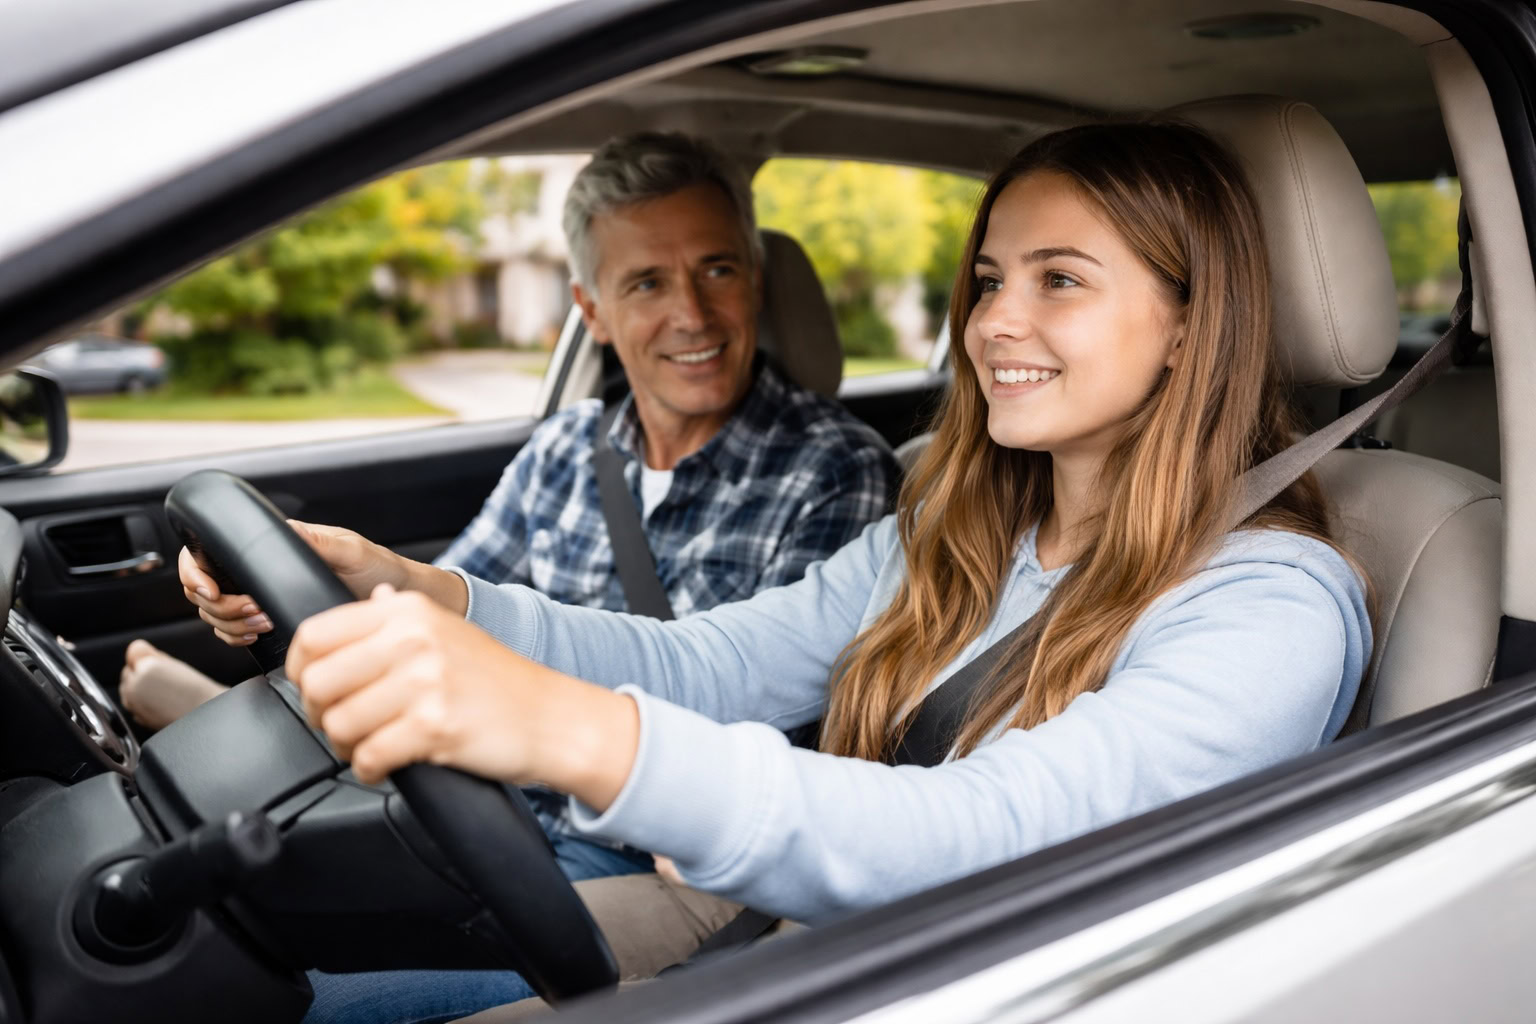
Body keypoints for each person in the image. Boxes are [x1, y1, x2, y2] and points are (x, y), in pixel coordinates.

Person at [183, 120, 1373, 1021]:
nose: (994, 323)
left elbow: (988, 835)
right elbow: (716, 659)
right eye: (991, 279)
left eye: (1059, 279)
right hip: (817, 933)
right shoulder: (954, 533)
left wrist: (571, 733)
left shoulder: (1269, 602)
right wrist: (436, 592)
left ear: (1190, 320)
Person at [125, 128, 898, 738]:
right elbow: (439, 611)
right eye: (647, 283)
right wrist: (270, 596)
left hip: (623, 831)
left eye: (719, 270)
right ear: (590, 311)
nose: (692, 314)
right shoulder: (565, 450)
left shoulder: (836, 471)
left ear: (756, 282)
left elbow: (765, 711)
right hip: (484, 777)